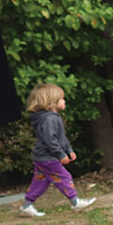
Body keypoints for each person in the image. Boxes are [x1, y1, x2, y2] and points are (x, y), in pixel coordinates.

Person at [19, 83, 96, 217]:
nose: (64, 101)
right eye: (62, 99)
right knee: (64, 177)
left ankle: (26, 206)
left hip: (41, 157)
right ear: (52, 102)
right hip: (47, 158)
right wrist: (60, 154)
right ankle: (75, 202)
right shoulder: (49, 119)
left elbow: (60, 137)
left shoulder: (53, 118)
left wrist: (68, 149)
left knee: (40, 182)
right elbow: (50, 140)